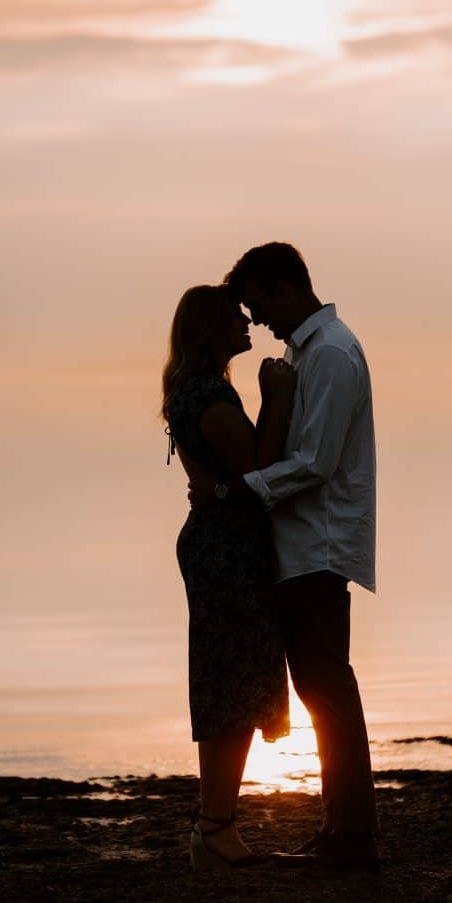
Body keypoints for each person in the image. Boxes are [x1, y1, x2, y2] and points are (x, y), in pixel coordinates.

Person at [191, 243, 379, 872]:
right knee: (321, 688)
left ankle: (352, 837)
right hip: (299, 543)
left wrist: (235, 489)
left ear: (284, 287)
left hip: (318, 545)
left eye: (257, 304)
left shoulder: (329, 353)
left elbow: (317, 462)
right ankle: (341, 830)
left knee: (327, 688)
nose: (257, 319)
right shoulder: (307, 353)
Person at [162, 284, 296, 870]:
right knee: (231, 686)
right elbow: (257, 469)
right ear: (212, 329)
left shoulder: (192, 388)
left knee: (229, 684)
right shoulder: (209, 394)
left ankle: (214, 824)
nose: (248, 323)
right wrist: (276, 399)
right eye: (236, 318)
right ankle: (214, 826)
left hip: (219, 544)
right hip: (225, 551)